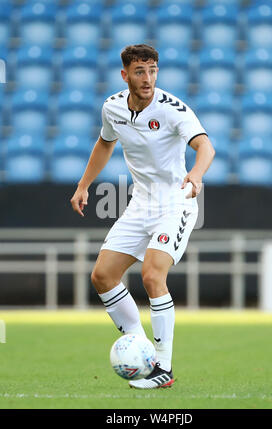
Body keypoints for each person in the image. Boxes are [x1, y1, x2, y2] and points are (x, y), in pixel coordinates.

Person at [70, 44, 215, 389]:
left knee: (152, 275)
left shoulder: (173, 110)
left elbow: (205, 146)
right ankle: (142, 350)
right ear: (125, 75)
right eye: (140, 71)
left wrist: (195, 175)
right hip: (140, 205)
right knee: (102, 276)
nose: (147, 78)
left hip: (175, 203)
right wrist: (83, 185)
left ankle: (162, 367)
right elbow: (105, 143)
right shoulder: (112, 107)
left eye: (152, 70)